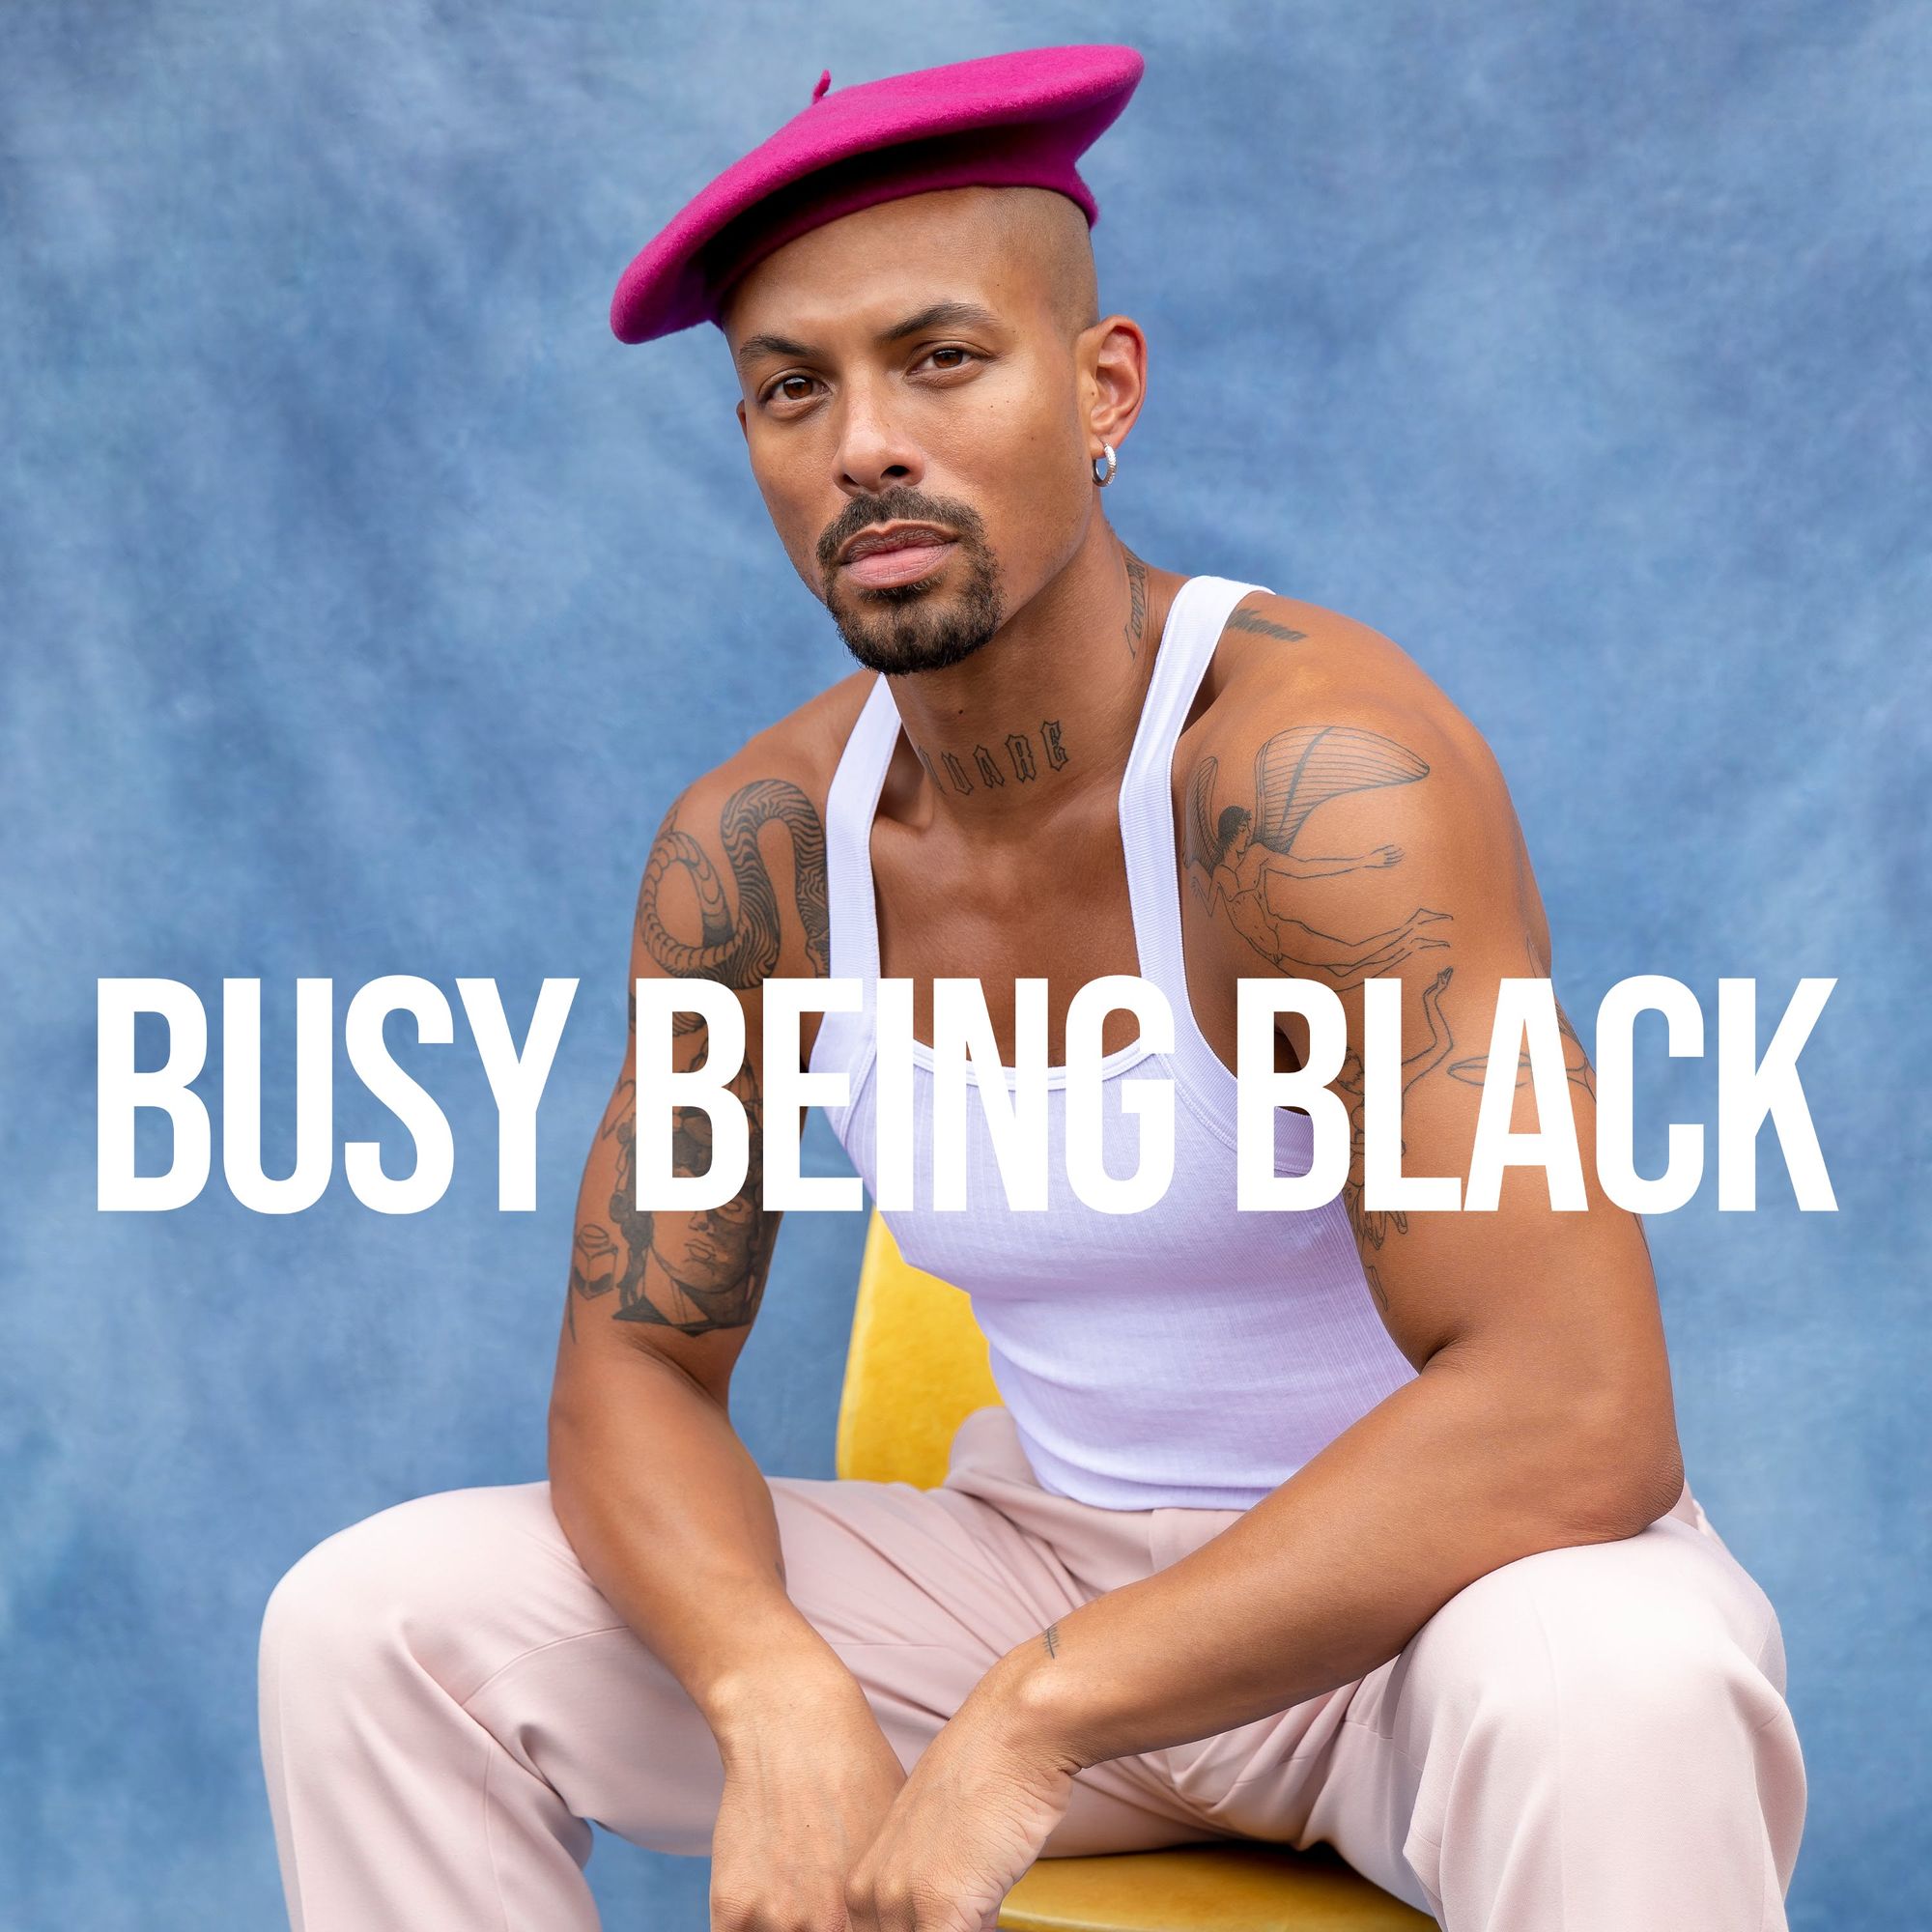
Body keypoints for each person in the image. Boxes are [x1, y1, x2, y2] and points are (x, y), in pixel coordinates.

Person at [257, 44, 1806, 1931]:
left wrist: (1041, 1710)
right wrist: (768, 1680)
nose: (865, 445)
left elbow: (1574, 1407)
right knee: (374, 1624)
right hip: (1037, 1569)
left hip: (1437, 1612)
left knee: (1622, 1680)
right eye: (794, 389)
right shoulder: (762, 855)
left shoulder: (1311, 780)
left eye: (940, 360)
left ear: (1101, 388)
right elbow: (637, 1366)